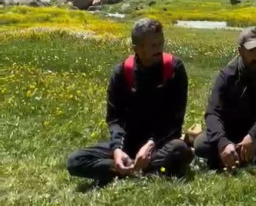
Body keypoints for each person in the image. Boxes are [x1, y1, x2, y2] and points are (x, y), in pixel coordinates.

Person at [66, 19, 193, 186]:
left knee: (179, 149)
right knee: (75, 161)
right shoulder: (121, 73)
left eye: (160, 43)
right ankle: (133, 168)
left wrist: (150, 145)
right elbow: (114, 119)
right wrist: (117, 149)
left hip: (161, 143)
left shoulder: (174, 69)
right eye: (153, 45)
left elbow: (174, 119)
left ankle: (125, 171)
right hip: (129, 142)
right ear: (137, 49)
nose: (160, 49)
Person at [194, 27, 256, 170]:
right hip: (232, 131)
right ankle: (235, 153)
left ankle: (240, 156)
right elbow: (213, 113)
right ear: (240, 51)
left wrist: (253, 135)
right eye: (251, 51)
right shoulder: (227, 75)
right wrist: (223, 143)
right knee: (201, 144)